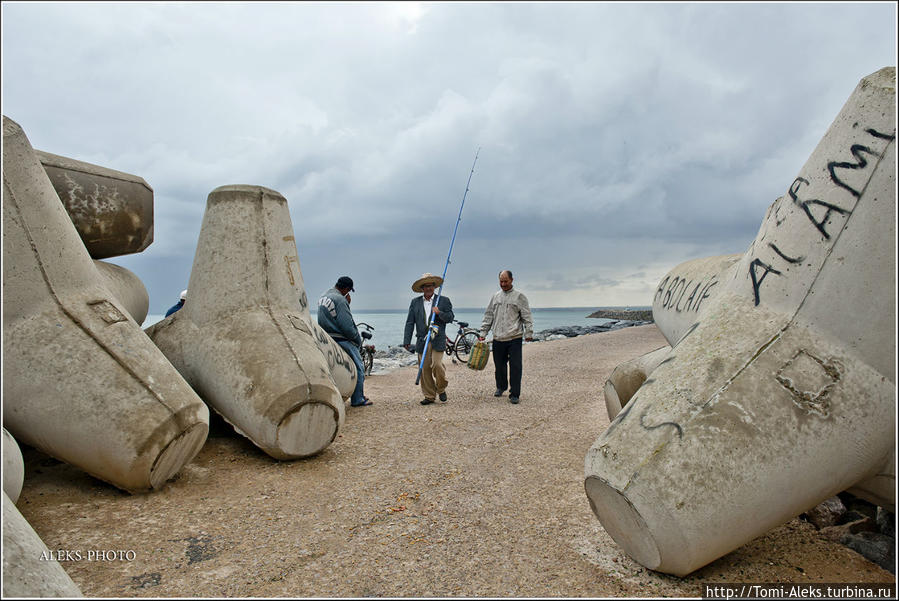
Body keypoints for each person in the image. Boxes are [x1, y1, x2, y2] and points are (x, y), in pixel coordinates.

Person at [479, 270, 533, 404]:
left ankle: (514, 394)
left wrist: (529, 333)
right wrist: (483, 333)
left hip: (514, 337)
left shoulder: (519, 297)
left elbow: (526, 316)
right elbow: (488, 315)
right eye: (501, 281)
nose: (503, 284)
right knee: (499, 366)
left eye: (505, 281)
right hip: (498, 337)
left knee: (515, 367)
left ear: (512, 280)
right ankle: (501, 387)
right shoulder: (495, 296)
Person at [318, 276, 372, 407]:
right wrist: (357, 340)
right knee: (358, 367)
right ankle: (358, 398)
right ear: (346, 289)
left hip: (326, 338)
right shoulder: (340, 300)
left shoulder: (323, 296)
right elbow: (346, 326)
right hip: (341, 339)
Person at [403, 272, 455, 406]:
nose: (428, 288)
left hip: (437, 338)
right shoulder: (415, 303)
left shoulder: (443, 300)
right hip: (422, 339)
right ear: (422, 288)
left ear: (434, 286)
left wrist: (439, 313)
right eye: (425, 286)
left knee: (437, 365)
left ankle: (441, 388)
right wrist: (406, 341)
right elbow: (410, 322)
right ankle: (429, 395)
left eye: (431, 285)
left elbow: (450, 318)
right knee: (425, 368)